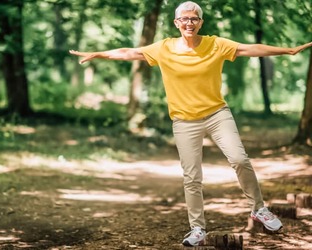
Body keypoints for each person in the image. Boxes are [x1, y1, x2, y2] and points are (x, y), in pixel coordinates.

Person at [69, 1, 312, 247]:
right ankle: (197, 228)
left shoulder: (216, 44)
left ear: (200, 23)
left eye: (194, 19)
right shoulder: (163, 48)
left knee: (240, 160)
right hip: (184, 121)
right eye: (184, 19)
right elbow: (129, 52)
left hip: (217, 114)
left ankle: (259, 209)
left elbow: (250, 49)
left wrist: (288, 51)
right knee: (192, 177)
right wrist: (99, 54)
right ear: (176, 23)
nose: (189, 23)